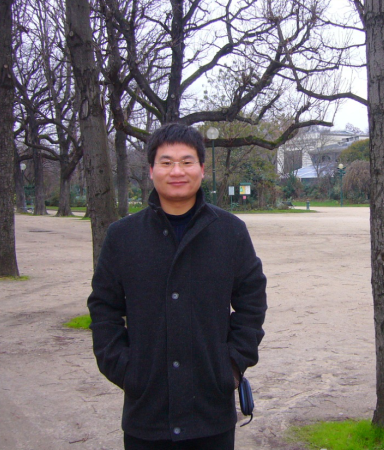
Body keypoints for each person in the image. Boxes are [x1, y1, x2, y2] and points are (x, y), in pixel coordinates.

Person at [87, 123, 267, 450]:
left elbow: (252, 302)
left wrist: (230, 365)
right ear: (151, 169)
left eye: (186, 161)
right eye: (166, 162)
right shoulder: (123, 236)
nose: (177, 171)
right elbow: (103, 307)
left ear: (202, 168)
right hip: (146, 414)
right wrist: (126, 370)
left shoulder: (230, 232)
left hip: (211, 412)